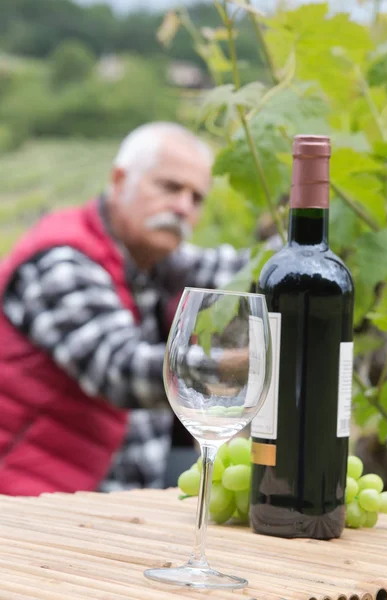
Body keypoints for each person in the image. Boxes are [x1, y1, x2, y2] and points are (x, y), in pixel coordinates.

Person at [0, 122, 267, 496]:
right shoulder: (61, 260)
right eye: (170, 187)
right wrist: (239, 364)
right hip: (31, 504)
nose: (182, 207)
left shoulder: (153, 257)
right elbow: (120, 369)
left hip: (113, 500)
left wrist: (295, 253)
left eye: (196, 198)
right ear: (119, 179)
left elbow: (242, 273)